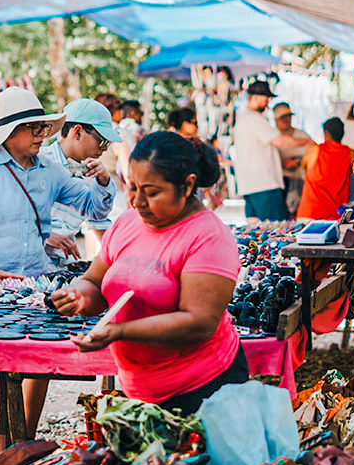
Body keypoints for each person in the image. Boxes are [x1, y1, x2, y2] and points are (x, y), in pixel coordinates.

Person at [0, 87, 114, 462]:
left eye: (43, 128)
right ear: (10, 132)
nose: (42, 135)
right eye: (34, 129)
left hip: (35, 290)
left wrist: (103, 181)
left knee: (36, 366)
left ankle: (22, 451)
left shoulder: (50, 171)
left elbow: (91, 205)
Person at [50, 131, 248, 414]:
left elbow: (199, 323)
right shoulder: (127, 223)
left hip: (204, 390)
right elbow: (94, 281)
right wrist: (77, 296)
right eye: (131, 187)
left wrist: (120, 331)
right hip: (140, 391)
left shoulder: (208, 237)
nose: (136, 202)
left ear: (187, 185)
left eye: (152, 192)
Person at [41, 97, 120, 257]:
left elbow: (98, 220)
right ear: (77, 132)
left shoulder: (91, 174)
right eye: (101, 141)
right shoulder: (38, 163)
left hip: (62, 267)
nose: (104, 149)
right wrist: (45, 235)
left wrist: (103, 182)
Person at [231, 80, 286, 221]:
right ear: (255, 97)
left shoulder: (243, 118)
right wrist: (308, 142)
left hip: (250, 185)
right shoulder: (253, 118)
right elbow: (279, 141)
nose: (267, 102)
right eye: (266, 98)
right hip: (264, 184)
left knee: (256, 232)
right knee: (276, 232)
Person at [296, 118, 354, 220]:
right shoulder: (351, 154)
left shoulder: (314, 150)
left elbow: (303, 164)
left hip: (310, 214)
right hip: (337, 217)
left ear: (326, 133)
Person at [270, 101, 312, 211]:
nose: (286, 120)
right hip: (278, 182)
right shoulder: (271, 136)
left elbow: (313, 152)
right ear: (276, 119)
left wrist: (298, 161)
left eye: (288, 116)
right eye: (282, 117)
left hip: (299, 179)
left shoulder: (302, 136)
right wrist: (282, 163)